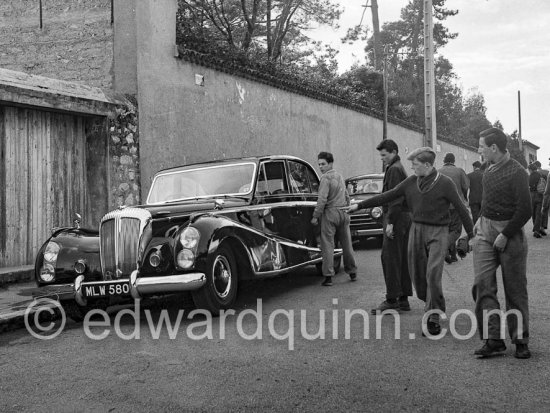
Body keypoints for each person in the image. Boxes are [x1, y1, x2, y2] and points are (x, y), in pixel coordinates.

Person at [348, 147, 473, 335]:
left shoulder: (445, 183)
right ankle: (431, 303)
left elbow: (462, 209)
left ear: (428, 165)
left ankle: (433, 317)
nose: (412, 168)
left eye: (415, 165)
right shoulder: (411, 182)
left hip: (438, 232)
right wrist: (359, 205)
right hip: (416, 230)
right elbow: (388, 195)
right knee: (419, 278)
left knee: (433, 275)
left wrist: (472, 235)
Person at [472, 127, 532, 359]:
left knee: (515, 288)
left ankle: (520, 340)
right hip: (485, 228)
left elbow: (525, 209)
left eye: (481, 146)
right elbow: (489, 200)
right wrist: (480, 221)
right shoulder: (488, 169)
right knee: (482, 284)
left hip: (510, 231)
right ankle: (494, 339)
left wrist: (505, 234)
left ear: (493, 148)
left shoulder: (517, 172)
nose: (479, 150)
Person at [369, 139, 413, 314]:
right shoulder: (397, 167)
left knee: (390, 259)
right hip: (402, 218)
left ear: (393, 152)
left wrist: (391, 223)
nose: (382, 159)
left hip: (396, 218)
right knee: (400, 259)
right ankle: (403, 299)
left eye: (384, 155)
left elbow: (395, 199)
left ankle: (392, 299)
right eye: (381, 156)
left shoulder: (394, 169)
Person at [312, 152, 357, 286]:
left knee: (327, 245)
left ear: (330, 163)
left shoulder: (325, 179)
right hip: (343, 212)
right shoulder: (339, 176)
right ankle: (352, 271)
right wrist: (348, 208)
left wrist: (315, 216)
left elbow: (322, 200)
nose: (320, 167)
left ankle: (328, 276)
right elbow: (347, 195)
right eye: (319, 164)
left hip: (330, 213)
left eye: (323, 164)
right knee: (347, 244)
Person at [438, 153, 470, 263]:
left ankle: (453, 256)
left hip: (442, 206)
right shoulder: (460, 171)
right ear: (454, 160)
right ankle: (445, 248)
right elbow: (465, 186)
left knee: (447, 229)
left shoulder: (438, 171)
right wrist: (464, 197)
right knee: (456, 230)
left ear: (444, 160)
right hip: (456, 205)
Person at [528, 163, 544, 238]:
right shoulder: (539, 175)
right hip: (539, 195)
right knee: (538, 213)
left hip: (531, 195)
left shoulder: (529, 176)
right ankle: (537, 230)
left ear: (530, 169)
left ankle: (535, 228)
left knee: (533, 213)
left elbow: (528, 186)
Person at [533, 160, 548, 235]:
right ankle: (542, 228)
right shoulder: (546, 172)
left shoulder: (535, 173)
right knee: (544, 211)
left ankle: (537, 229)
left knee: (537, 212)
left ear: (536, 166)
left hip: (537, 194)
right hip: (545, 193)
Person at [467, 161, 484, 225]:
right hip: (483, 199)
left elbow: (466, 187)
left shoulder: (469, 175)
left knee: (475, 217)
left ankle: (476, 231)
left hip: (473, 199)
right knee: (482, 217)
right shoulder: (484, 175)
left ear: (474, 167)